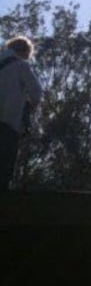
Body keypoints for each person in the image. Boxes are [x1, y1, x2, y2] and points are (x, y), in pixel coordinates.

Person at [0, 36, 43, 192]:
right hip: (9, 123)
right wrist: (28, 109)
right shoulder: (20, 66)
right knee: (5, 167)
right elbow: (37, 93)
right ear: (24, 52)